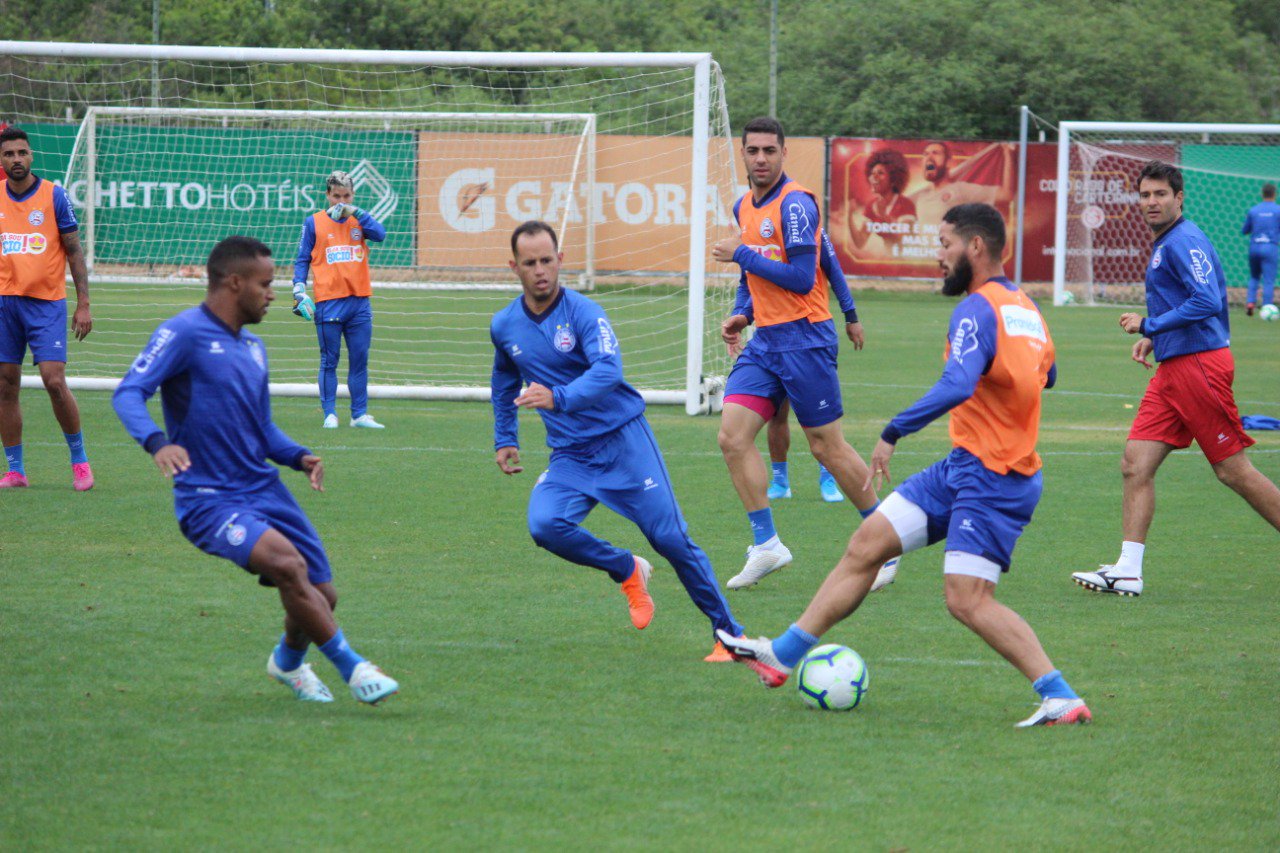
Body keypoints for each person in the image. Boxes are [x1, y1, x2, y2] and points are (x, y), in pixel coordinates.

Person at [718, 203, 1092, 728]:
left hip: (997, 479)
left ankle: (1060, 696)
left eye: (945, 245)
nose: (939, 256)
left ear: (975, 247)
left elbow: (960, 383)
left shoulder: (976, 310)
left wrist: (894, 432)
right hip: (963, 467)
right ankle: (781, 656)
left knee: (968, 601)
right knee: (867, 544)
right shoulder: (1025, 308)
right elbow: (1046, 374)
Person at [113, 235, 399, 705]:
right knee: (289, 566)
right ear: (234, 282)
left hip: (263, 489)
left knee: (323, 595)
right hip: (209, 499)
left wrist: (298, 456)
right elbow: (128, 392)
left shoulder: (255, 348)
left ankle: (286, 664)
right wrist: (157, 442)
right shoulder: (183, 333)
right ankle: (355, 668)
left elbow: (261, 427)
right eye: (266, 284)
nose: (272, 293)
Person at [491, 220, 745, 662]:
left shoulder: (584, 313)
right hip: (571, 455)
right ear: (514, 267)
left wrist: (559, 397)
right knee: (545, 524)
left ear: (560, 260)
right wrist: (505, 435)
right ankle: (625, 567)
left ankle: (729, 635)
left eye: (547, 260)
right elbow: (502, 380)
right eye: (529, 263)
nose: (540, 270)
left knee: (669, 538)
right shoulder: (505, 325)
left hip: (624, 444)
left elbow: (609, 373)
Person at [1073, 161, 1280, 597]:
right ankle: (1128, 569)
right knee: (1135, 464)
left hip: (1199, 367)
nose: (1151, 202)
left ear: (1179, 198)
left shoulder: (1184, 240)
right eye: (1145, 195)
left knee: (1233, 471)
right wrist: (1157, 338)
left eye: (1160, 194)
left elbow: (1206, 300)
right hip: (1175, 368)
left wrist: (1150, 325)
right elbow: (1188, 302)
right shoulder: (1168, 242)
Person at [713, 116, 897, 592]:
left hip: (805, 338)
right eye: (752, 151)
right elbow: (751, 278)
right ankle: (766, 546)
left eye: (768, 151)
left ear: (783, 153)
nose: (760, 159)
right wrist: (741, 313)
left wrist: (741, 254)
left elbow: (799, 277)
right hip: (767, 342)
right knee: (732, 437)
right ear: (743, 153)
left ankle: (884, 545)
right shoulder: (743, 206)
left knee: (826, 447)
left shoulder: (795, 205)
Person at [0, 126, 94, 490]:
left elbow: (73, 250)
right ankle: (15, 470)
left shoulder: (54, 195)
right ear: (2, 160)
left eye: (21, 153)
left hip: (46, 304)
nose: (16, 159)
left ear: (31, 155)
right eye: (9, 154)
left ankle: (80, 461)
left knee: (54, 381)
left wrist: (83, 303)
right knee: (6, 385)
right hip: (5, 303)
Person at [766, 232, 864, 505]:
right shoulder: (761, 226)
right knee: (777, 414)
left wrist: (851, 316)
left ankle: (828, 477)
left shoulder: (811, 228)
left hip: (810, 338)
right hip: (773, 336)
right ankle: (780, 480)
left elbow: (835, 272)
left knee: (823, 423)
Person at [292, 170, 386, 429]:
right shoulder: (314, 222)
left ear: (353, 195)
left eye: (346, 196)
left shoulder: (359, 221)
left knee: (360, 358)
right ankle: (330, 414)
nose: (341, 202)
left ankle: (359, 415)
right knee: (329, 359)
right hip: (328, 301)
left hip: (359, 303)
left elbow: (381, 234)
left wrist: (357, 212)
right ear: (327, 195)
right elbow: (302, 258)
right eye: (336, 196)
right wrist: (299, 289)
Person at [910, 141, 1016, 226]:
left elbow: (1007, 194)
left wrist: (1007, 153)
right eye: (926, 154)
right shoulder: (919, 196)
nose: (929, 157)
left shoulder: (960, 189)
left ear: (948, 161)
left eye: (935, 153)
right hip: (924, 253)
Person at [847, 147, 918, 254]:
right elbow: (860, 242)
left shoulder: (905, 204)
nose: (874, 177)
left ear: (893, 179)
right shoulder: (871, 206)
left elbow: (905, 242)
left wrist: (891, 225)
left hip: (906, 262)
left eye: (880, 173)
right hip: (887, 262)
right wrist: (849, 217)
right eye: (872, 173)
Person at [1241, 183, 1279, 315]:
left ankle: (1250, 302)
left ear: (1262, 194)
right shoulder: (1278, 210)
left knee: (1254, 276)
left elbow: (1245, 230)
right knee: (1268, 279)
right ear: (1275, 194)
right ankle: (1266, 307)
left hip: (1255, 247)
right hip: (1270, 247)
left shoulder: (1253, 210)